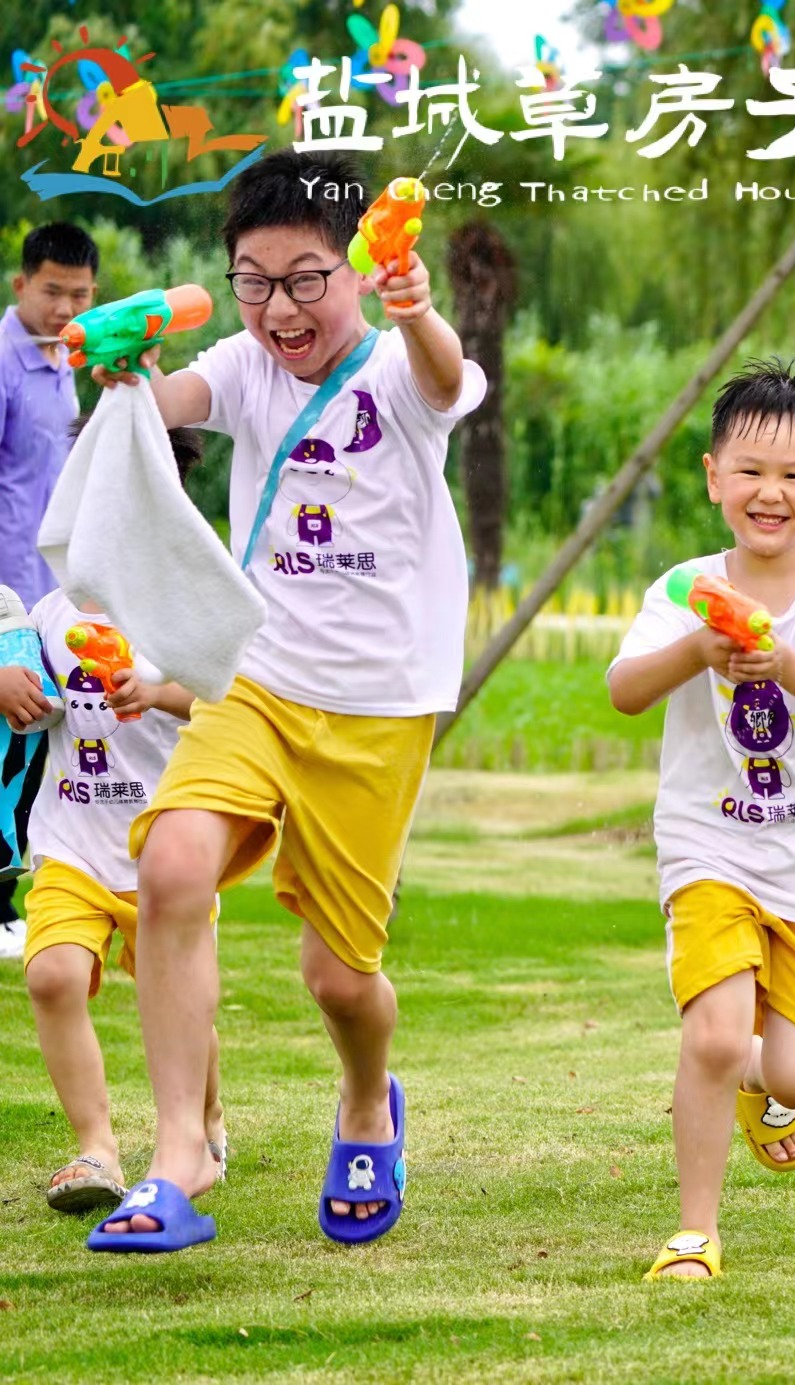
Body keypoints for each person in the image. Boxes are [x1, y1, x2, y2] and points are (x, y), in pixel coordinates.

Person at [86, 149, 485, 1252]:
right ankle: (178, 1156)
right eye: (254, 282)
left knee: (338, 976)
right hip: (255, 679)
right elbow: (171, 403)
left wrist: (417, 311)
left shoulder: (399, 369)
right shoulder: (244, 365)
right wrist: (124, 371)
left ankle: (366, 1099)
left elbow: (447, 378)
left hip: (377, 706)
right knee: (171, 865)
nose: (278, 310)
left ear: (355, 270)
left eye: (306, 279)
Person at [608, 360, 795, 1281]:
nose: (768, 492)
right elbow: (624, 689)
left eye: (791, 474)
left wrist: (785, 665)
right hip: (712, 843)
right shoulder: (685, 587)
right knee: (710, 1031)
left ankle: (758, 1078)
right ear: (713, 478)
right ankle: (693, 1233)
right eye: (748, 470)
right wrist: (700, 647)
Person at [19, 422, 229, 1215]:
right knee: (52, 974)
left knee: (182, 1004)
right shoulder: (50, 609)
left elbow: (229, 698)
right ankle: (96, 1148)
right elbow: (25, 686)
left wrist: (159, 691)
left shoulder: (190, 604)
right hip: (71, 839)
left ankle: (203, 1122)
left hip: (165, 844)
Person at [0, 221, 96, 955]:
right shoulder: (4, 363)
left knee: (36, 750)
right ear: (21, 284)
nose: (65, 308)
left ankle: (16, 901)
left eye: (81, 295)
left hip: (50, 596)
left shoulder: (70, 363)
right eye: (53, 291)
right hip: (4, 595)